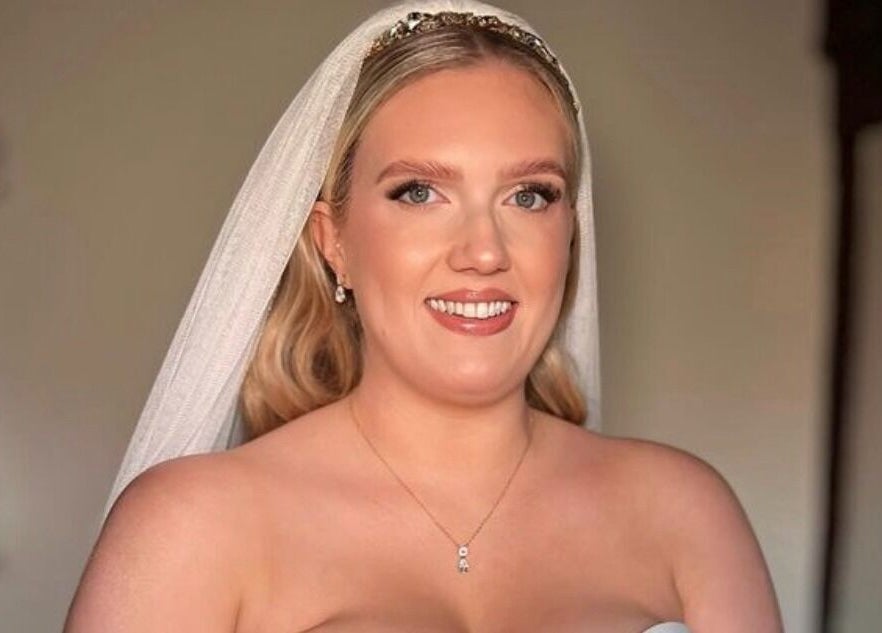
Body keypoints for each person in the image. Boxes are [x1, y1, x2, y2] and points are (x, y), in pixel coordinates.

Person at [65, 2, 782, 631]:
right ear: (333, 242)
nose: (483, 251)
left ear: (570, 234)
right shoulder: (191, 529)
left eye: (529, 195)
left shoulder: (685, 515)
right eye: (418, 192)